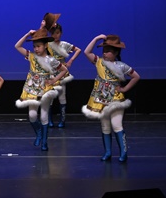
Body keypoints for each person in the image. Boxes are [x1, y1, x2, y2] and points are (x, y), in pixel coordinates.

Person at [81, 34, 141, 162]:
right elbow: (87, 52)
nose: (105, 53)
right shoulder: (99, 62)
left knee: (116, 125)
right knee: (105, 126)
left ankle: (123, 152)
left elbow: (136, 76)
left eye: (108, 51)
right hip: (101, 99)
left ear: (116, 53)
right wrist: (96, 38)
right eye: (104, 50)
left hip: (115, 99)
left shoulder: (121, 66)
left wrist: (124, 89)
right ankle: (107, 152)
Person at [14, 25, 69, 152]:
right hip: (32, 89)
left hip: (45, 89)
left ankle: (44, 142)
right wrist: (27, 34)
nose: (36, 49)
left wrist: (54, 80)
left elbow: (64, 70)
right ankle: (38, 132)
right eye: (34, 46)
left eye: (38, 46)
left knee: (44, 116)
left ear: (45, 46)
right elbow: (17, 46)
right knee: (32, 115)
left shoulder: (51, 60)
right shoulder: (32, 56)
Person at [44, 13, 80, 128]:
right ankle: (49, 120)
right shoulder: (47, 44)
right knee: (49, 97)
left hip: (61, 73)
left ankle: (62, 120)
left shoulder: (64, 45)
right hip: (50, 74)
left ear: (61, 33)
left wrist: (70, 61)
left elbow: (78, 50)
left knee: (62, 96)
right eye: (53, 33)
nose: (55, 35)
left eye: (58, 33)